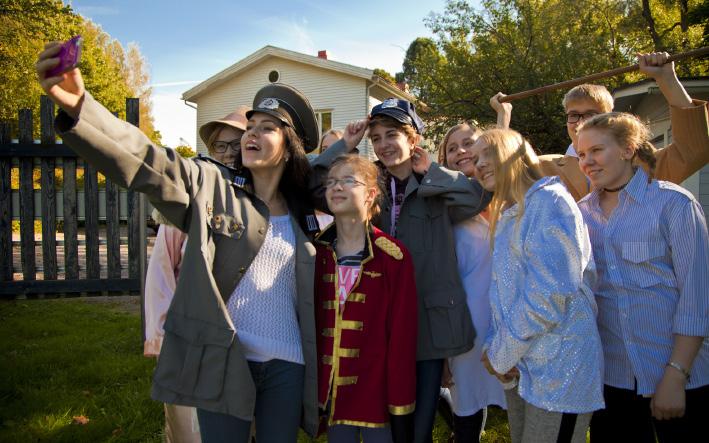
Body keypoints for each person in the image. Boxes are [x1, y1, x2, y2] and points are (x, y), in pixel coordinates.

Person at [36, 41, 345, 442]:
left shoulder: (307, 209)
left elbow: (334, 176)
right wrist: (83, 108)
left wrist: (347, 144)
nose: (251, 134)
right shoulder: (211, 186)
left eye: (266, 128)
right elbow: (149, 162)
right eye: (250, 127)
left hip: (289, 365)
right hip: (223, 359)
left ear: (289, 145)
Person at [326, 98, 490, 443]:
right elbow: (315, 188)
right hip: (381, 324)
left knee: (419, 427)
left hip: (428, 326)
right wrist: (346, 146)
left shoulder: (434, 186)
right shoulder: (370, 188)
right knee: (386, 421)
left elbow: (478, 197)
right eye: (377, 138)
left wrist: (431, 170)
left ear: (413, 139)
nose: (384, 145)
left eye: (392, 135)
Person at [575, 109, 709, 442]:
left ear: (628, 148)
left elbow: (697, 297)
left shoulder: (673, 205)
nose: (587, 161)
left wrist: (675, 377)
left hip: (681, 377)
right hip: (613, 382)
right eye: (580, 154)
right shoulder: (580, 214)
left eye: (596, 150)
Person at [474, 128, 604, 443]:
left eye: (486, 154)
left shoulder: (550, 201)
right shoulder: (510, 212)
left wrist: (501, 354)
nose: (477, 165)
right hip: (526, 367)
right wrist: (500, 350)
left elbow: (549, 295)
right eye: (474, 159)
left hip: (561, 372)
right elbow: (505, 294)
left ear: (511, 154)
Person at [143, 107, 248, 443]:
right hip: (190, 334)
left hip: (244, 336)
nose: (230, 154)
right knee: (191, 426)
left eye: (238, 144)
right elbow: (161, 270)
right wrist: (161, 334)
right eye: (221, 146)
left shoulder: (263, 201)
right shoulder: (188, 202)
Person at [490, 53, 709, 201]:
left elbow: (694, 149)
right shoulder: (547, 168)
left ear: (609, 119)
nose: (581, 122)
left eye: (591, 115)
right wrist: (503, 118)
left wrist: (668, 79)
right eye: (573, 115)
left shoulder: (640, 164)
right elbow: (503, 179)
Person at [315, 154, 417, 443]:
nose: (336, 187)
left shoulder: (393, 256)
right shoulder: (318, 255)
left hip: (376, 394)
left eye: (348, 180)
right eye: (331, 182)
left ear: (371, 194)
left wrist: (398, 399)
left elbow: (402, 337)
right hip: (332, 394)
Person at [436, 122, 506, 442]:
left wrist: (503, 117)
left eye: (469, 143)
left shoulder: (506, 195)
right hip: (466, 321)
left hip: (511, 318)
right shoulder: (441, 206)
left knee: (517, 402)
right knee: (468, 402)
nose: (461, 151)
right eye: (453, 148)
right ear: (445, 160)